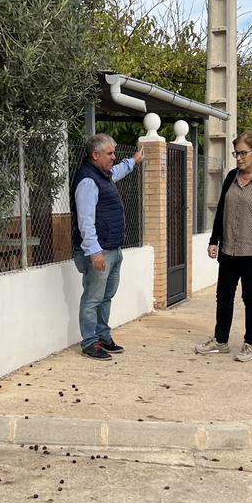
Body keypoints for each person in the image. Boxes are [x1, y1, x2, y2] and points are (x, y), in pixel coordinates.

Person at [194, 131, 252, 362]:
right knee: (223, 296)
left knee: (251, 297)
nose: (239, 158)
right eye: (237, 153)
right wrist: (214, 240)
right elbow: (221, 210)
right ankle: (220, 340)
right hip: (229, 250)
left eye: (244, 153)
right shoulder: (232, 176)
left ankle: (249, 344)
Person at [71, 134, 144, 360]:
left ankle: (103, 336)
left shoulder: (102, 175)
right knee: (93, 298)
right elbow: (85, 221)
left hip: (112, 249)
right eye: (110, 153)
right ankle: (90, 342)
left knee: (106, 296)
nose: (114, 157)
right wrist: (95, 252)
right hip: (99, 252)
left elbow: (117, 172)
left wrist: (134, 161)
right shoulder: (87, 181)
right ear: (96, 155)